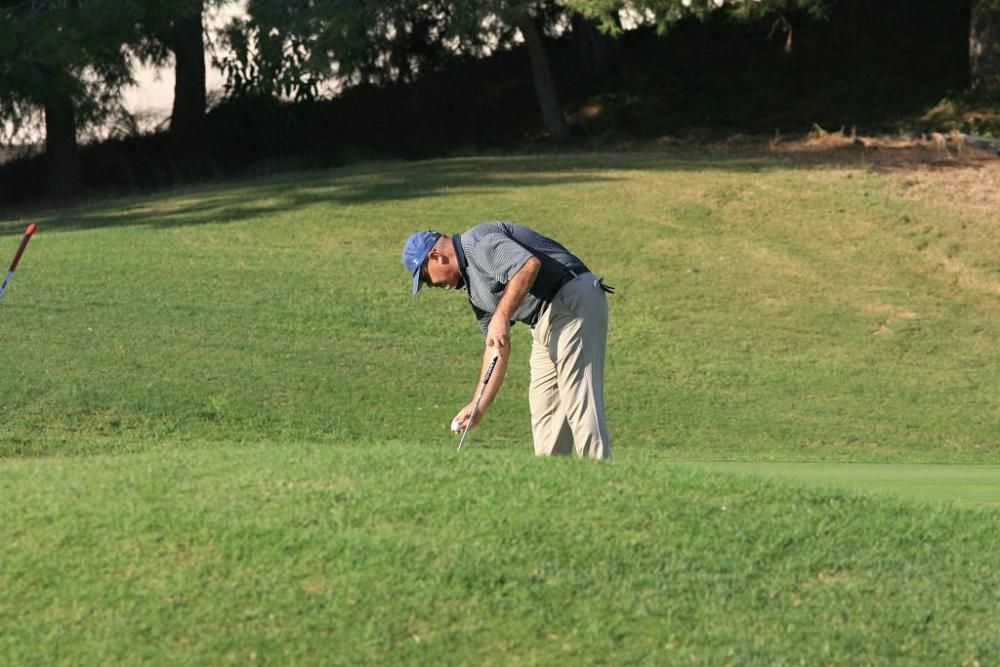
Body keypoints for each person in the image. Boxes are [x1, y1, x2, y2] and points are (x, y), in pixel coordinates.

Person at [401, 221, 614, 459]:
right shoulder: (473, 288)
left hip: (572, 300)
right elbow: (496, 347)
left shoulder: (478, 244)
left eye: (427, 278)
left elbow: (527, 265)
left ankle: (602, 481)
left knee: (580, 403)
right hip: (544, 322)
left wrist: (502, 315)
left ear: (436, 256)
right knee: (546, 412)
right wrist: (478, 405)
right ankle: (552, 487)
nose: (433, 285)